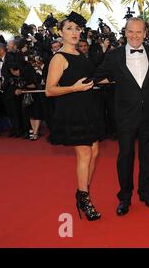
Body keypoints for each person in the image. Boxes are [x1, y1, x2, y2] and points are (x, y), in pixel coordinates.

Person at [94, 17, 149, 216]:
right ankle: (124, 197)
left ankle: (145, 192)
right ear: (125, 32)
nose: (135, 36)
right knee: (125, 156)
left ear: (145, 33)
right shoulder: (114, 56)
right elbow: (98, 75)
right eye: (131, 31)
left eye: (139, 32)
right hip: (125, 115)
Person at [45, 12, 101, 221]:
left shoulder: (81, 55)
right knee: (85, 153)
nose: (74, 32)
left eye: (77, 29)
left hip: (89, 108)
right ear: (60, 33)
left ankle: (82, 192)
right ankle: (85, 200)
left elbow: (87, 79)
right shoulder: (58, 58)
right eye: (69, 28)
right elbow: (50, 90)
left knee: (94, 152)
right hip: (72, 110)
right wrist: (74, 88)